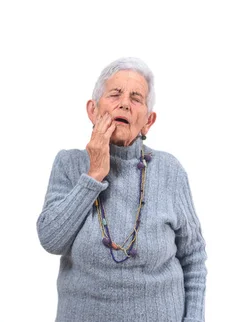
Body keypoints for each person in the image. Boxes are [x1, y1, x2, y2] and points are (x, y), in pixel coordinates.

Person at [37, 57, 207, 321]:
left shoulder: (170, 170)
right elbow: (51, 240)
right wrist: (94, 174)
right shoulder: (69, 163)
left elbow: (193, 256)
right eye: (114, 94)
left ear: (148, 121)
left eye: (136, 98)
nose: (125, 103)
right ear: (93, 110)